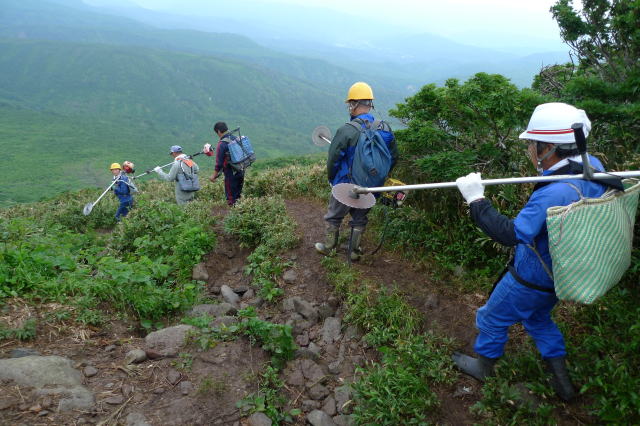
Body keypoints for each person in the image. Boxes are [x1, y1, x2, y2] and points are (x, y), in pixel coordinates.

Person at [452, 102, 610, 401]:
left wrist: (476, 200)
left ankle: (484, 367)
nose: (531, 151)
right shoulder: (594, 169)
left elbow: (510, 234)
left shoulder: (557, 191)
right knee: (538, 319)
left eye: (534, 145)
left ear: (549, 147)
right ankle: (561, 380)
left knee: (490, 318)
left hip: (532, 276)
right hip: (560, 274)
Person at [314, 82, 398, 261]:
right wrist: (378, 177)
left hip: (346, 183)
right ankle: (354, 251)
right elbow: (393, 157)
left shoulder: (347, 130)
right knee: (360, 218)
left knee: (334, 216)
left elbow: (333, 159)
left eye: (349, 104)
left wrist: (332, 179)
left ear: (353, 104)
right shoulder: (385, 129)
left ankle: (329, 247)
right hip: (372, 186)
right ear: (370, 104)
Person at [209, 122, 244, 206]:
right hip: (241, 170)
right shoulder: (235, 138)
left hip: (230, 174)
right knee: (238, 196)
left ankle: (234, 216)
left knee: (231, 198)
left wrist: (213, 176)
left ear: (218, 131)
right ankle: (240, 213)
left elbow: (219, 163)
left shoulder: (222, 144)